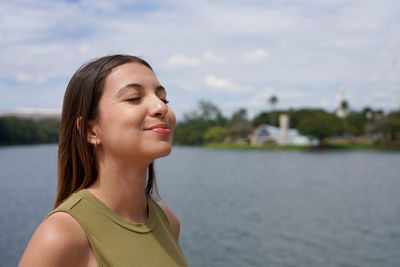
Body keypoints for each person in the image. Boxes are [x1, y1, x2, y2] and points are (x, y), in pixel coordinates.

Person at [19, 55, 189, 267]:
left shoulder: (168, 222)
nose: (161, 108)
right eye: (134, 98)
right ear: (91, 130)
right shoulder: (62, 236)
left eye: (163, 99)